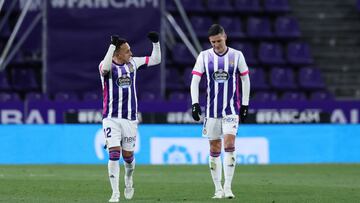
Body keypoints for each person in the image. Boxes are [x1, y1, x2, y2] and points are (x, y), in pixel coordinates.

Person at [99, 31, 161, 202]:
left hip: (130, 119)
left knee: (128, 157)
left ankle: (128, 178)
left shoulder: (133, 63)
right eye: (127, 51)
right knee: (113, 154)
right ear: (117, 53)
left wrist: (156, 43)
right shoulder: (106, 65)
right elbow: (104, 69)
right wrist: (111, 45)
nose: (131, 53)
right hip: (111, 117)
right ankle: (115, 193)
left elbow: (156, 60)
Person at [190, 24, 250, 199]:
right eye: (213, 42)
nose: (216, 44)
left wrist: (245, 105)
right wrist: (195, 104)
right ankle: (217, 189)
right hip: (211, 111)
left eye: (218, 40)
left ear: (225, 36)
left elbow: (245, 80)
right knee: (214, 148)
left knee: (229, 144)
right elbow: (194, 81)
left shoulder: (236, 55)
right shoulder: (204, 56)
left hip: (231, 110)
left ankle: (228, 187)